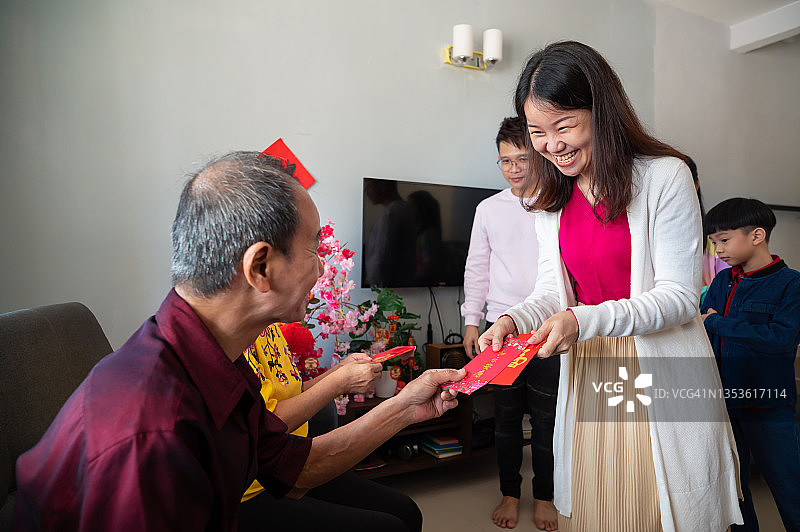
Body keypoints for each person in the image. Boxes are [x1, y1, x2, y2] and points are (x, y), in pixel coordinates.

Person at [12, 151, 465, 531]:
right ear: (260, 267)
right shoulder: (153, 432)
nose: (323, 269)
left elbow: (292, 467)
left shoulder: (216, 358)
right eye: (313, 250)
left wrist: (407, 407)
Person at [479, 41, 742, 531]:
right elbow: (555, 291)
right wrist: (513, 319)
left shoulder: (666, 177)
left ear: (602, 111)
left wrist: (584, 319)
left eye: (564, 126)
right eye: (537, 131)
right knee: (599, 502)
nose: (550, 145)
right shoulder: (552, 199)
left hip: (656, 369)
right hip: (589, 370)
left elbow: (681, 297)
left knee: (654, 504)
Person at [461, 116, 558, 531]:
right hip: (500, 332)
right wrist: (470, 321)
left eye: (522, 158)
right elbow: (477, 268)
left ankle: (545, 497)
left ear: (539, 155)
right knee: (504, 419)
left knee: (546, 420)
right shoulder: (488, 209)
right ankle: (509, 493)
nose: (514, 167)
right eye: (505, 161)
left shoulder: (559, 204)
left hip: (549, 328)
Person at [237, 321, 423, 531]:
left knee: (406, 510)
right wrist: (339, 382)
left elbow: (294, 391)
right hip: (253, 487)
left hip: (290, 461)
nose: (311, 294)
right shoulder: (237, 338)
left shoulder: (269, 330)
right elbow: (267, 424)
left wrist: (339, 371)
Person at [701, 198, 800, 531]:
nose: (718, 251)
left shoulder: (792, 284)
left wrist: (718, 323)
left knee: (790, 489)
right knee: (736, 495)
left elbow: (780, 338)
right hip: (725, 408)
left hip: (769, 408)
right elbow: (704, 331)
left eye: (724, 240)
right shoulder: (721, 282)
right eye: (714, 243)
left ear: (757, 235)